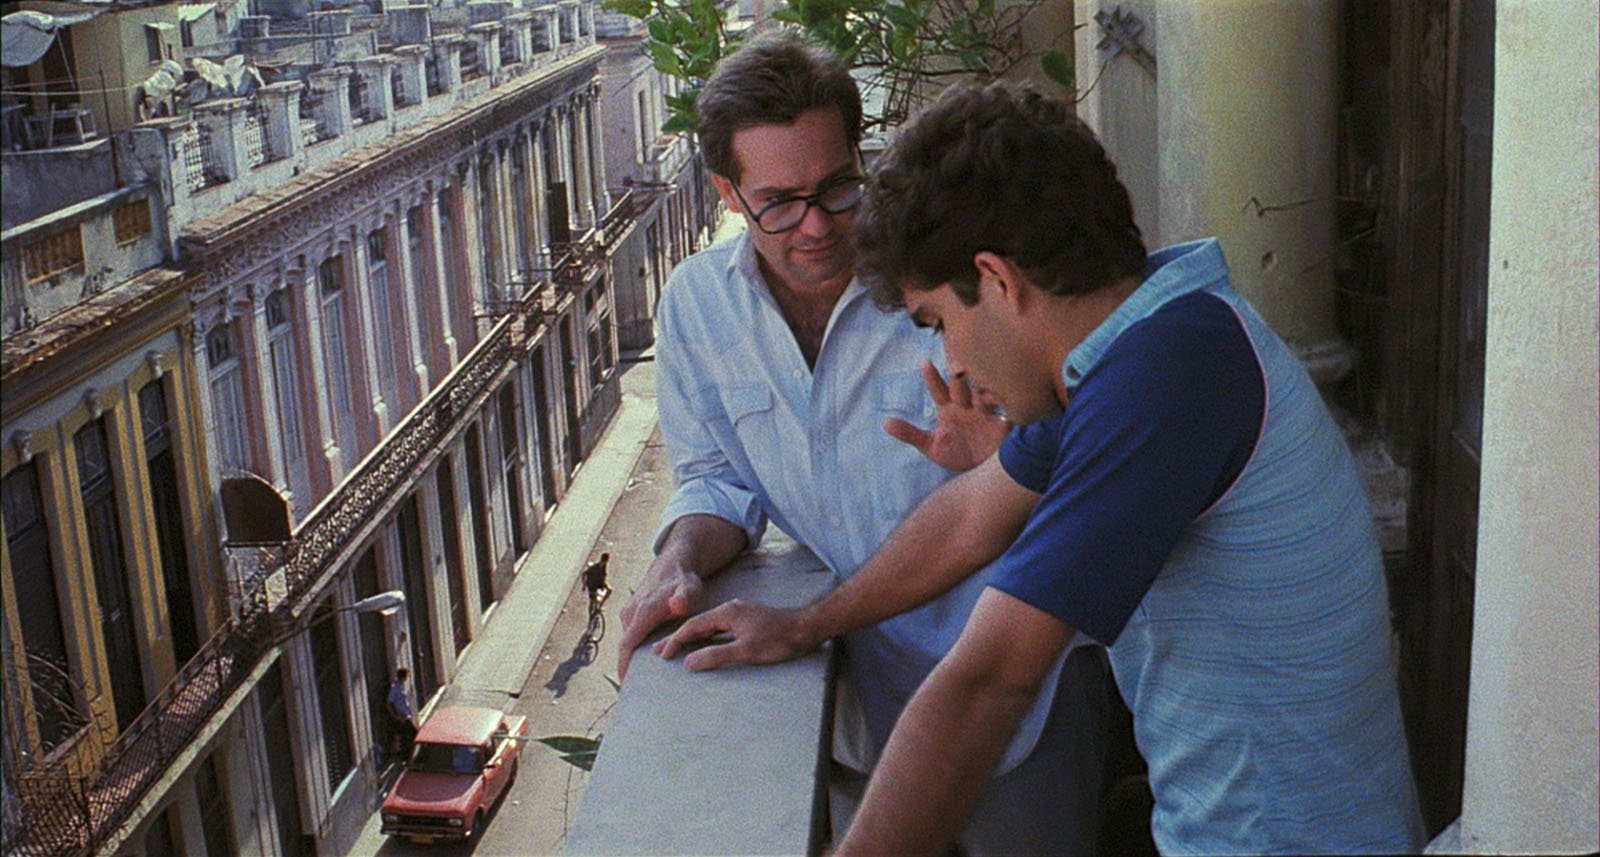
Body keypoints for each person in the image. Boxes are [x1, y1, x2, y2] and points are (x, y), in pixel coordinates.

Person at [658, 80, 1428, 855]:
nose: (952, 360)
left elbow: (989, 679)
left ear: (996, 279)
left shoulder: (1162, 381)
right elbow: (969, 517)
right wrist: (808, 623)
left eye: (938, 322)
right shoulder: (1138, 349)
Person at [617, 31, 1117, 856]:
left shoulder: (955, 281)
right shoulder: (697, 306)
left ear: (862, 156)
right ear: (727, 193)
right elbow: (715, 479)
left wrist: (1011, 449)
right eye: (779, 202)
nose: (817, 225)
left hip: (1021, 690)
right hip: (864, 701)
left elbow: (1066, 469)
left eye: (837, 187)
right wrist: (679, 560)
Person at [386, 667, 417, 760]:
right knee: (413, 733)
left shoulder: (401, 686)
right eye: (407, 676)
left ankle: (406, 755)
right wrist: (396, 716)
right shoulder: (395, 688)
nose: (407, 678)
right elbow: (389, 702)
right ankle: (407, 756)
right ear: (403, 677)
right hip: (403, 717)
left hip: (407, 715)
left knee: (406, 736)